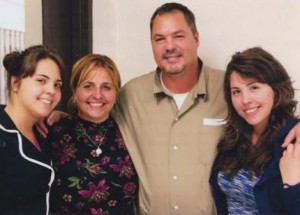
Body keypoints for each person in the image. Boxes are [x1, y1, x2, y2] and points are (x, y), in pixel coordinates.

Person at [40, 3, 300, 215]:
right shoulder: (131, 94)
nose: (170, 46)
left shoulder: (229, 88)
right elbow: (95, 108)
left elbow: (266, 111)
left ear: (196, 39)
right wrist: (60, 116)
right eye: (159, 38)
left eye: (178, 36)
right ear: (152, 44)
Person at [209, 47, 300, 214]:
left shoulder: (294, 142)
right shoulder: (234, 138)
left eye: (254, 88)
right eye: (237, 92)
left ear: (275, 89)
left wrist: (292, 185)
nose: (245, 100)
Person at [48, 54, 139, 215]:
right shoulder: (55, 132)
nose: (97, 95)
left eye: (106, 87)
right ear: (75, 91)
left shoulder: (129, 130)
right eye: (88, 86)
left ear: (116, 93)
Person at [0, 45, 64, 215]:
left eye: (57, 84)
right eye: (41, 80)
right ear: (15, 83)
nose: (52, 90)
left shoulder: (46, 131)